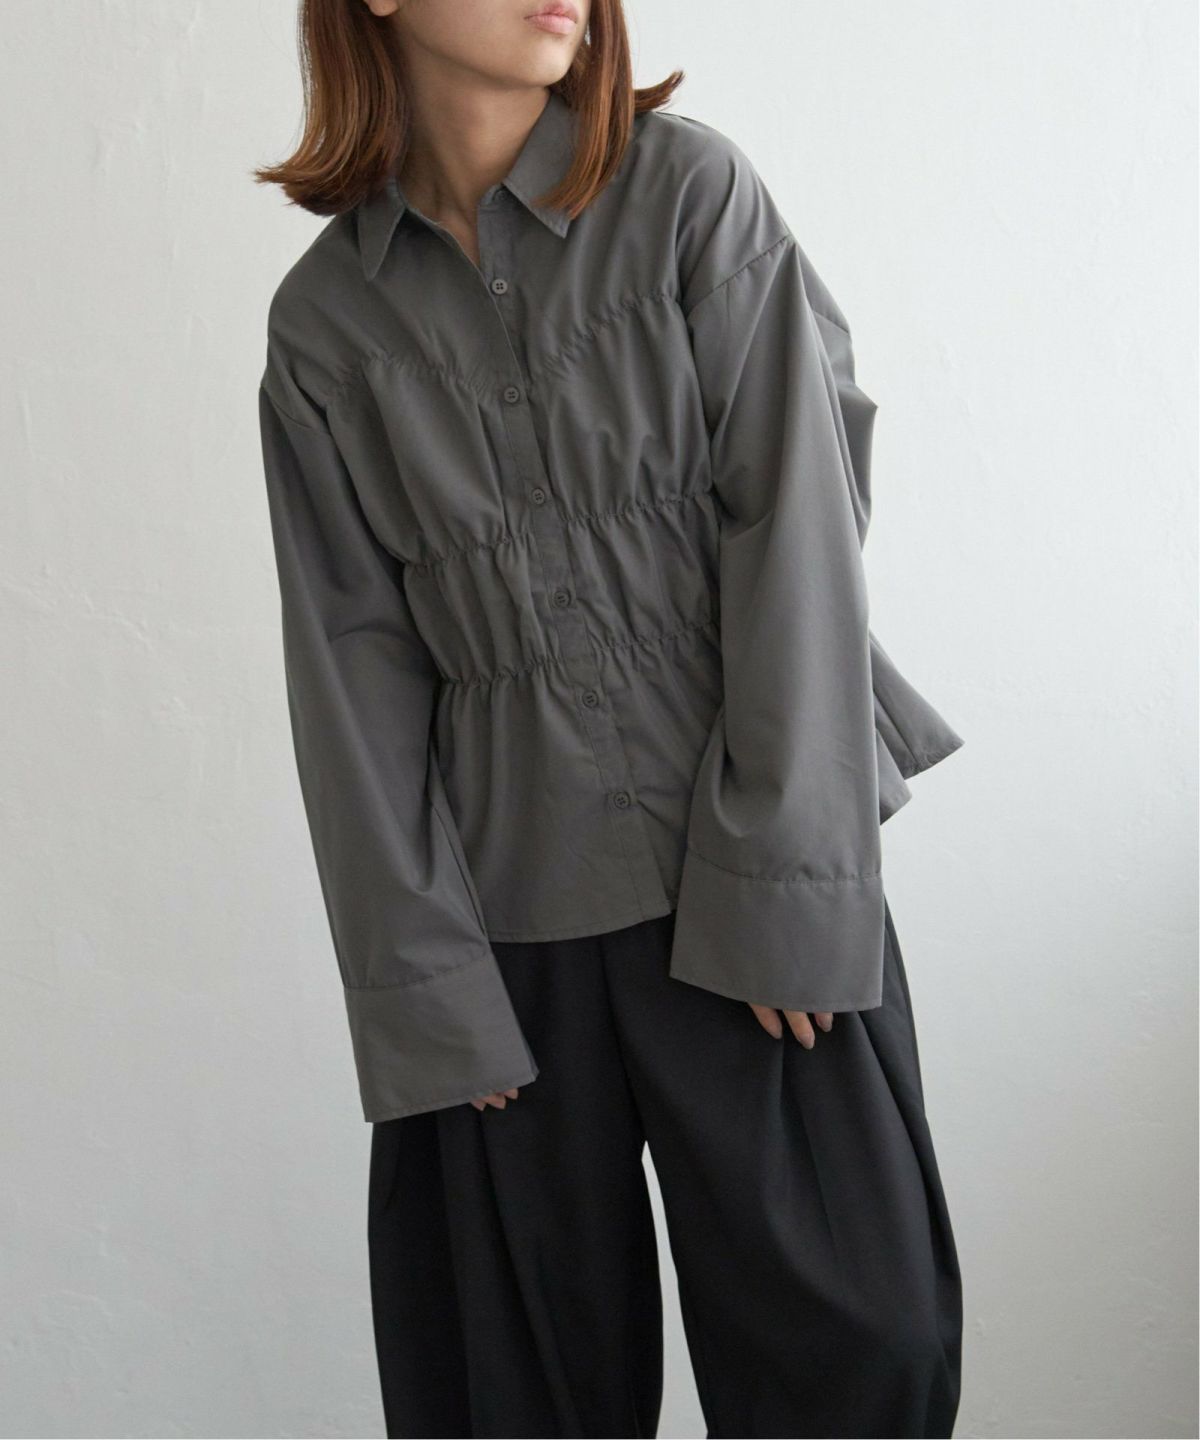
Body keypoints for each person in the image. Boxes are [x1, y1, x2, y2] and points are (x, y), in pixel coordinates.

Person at [254, 1, 966, 1435]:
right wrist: (428, 996)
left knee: (864, 1355)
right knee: (506, 1394)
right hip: (503, 939)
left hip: (742, 890)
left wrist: (785, 882)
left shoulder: (689, 195)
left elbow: (799, 534)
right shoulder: (324, 323)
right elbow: (352, 681)